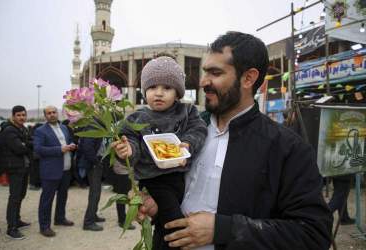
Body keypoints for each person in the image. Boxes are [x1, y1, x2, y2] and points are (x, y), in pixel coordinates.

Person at [139, 32, 333, 250]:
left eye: (215, 73)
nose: (203, 82)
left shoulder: (287, 148)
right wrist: (157, 205)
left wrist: (224, 230)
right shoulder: (183, 131)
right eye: (205, 72)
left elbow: (314, 234)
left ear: (248, 78)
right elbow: (171, 186)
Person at [112, 56, 208, 249]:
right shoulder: (137, 118)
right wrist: (127, 150)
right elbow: (131, 141)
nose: (159, 93)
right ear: (144, 91)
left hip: (180, 177)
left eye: (167, 88)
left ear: (178, 93)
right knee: (174, 223)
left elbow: (199, 129)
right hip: (154, 180)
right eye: (152, 87)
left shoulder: (187, 112)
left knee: (164, 227)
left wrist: (187, 144)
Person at [34, 106, 77, 237]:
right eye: (49, 113)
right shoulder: (41, 131)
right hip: (50, 170)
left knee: (63, 196)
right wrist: (59, 149)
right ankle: (44, 226)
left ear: (57, 114)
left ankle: (60, 218)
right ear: (45, 116)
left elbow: (68, 142)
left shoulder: (64, 128)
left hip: (66, 169)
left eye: (54, 112)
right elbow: (38, 149)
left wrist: (72, 145)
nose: (52, 115)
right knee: (47, 199)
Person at [0, 105, 32, 239]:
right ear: (13, 116)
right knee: (14, 197)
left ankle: (17, 220)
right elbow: (19, 148)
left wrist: (26, 144)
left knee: (21, 195)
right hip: (14, 168)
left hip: (23, 167)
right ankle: (11, 228)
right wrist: (27, 144)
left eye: (23, 115)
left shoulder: (22, 128)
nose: (21, 117)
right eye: (18, 115)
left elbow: (26, 143)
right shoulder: (9, 130)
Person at [78, 134, 106, 231]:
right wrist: (95, 162)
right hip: (93, 164)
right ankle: (88, 222)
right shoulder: (92, 128)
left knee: (96, 192)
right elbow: (87, 147)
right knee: (95, 193)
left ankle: (93, 215)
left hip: (96, 163)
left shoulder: (97, 127)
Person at [112, 161, 136, 230]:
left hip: (125, 171)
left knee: (124, 195)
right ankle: (122, 220)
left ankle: (123, 219)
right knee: (122, 196)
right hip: (122, 171)